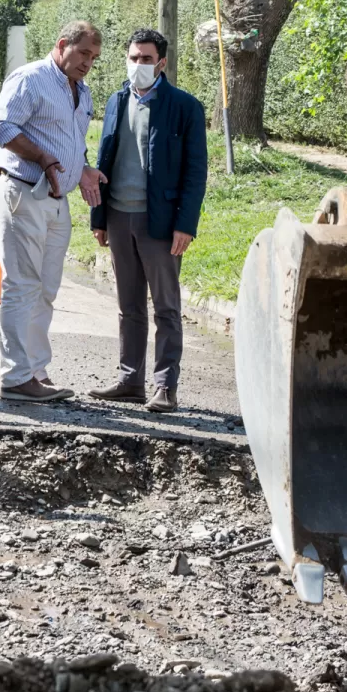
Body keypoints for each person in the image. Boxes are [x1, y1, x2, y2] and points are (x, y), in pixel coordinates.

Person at [87, 29, 207, 414]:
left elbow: (194, 173)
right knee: (129, 305)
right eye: (133, 57)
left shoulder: (185, 107)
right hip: (119, 216)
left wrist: (185, 225)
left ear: (162, 63)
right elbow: (105, 159)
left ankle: (165, 386)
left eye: (146, 59)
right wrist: (100, 216)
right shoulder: (116, 100)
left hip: (161, 222)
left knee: (167, 307)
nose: (138, 65)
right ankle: (130, 380)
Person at [0, 20, 108, 402]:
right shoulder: (31, 78)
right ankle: (15, 377)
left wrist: (83, 168)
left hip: (58, 202)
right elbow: (2, 126)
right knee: (22, 286)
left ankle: (35, 371)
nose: (88, 62)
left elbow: (72, 141)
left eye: (94, 57)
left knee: (45, 290)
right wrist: (43, 158)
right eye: (83, 53)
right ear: (62, 45)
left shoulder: (82, 91)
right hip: (24, 191)